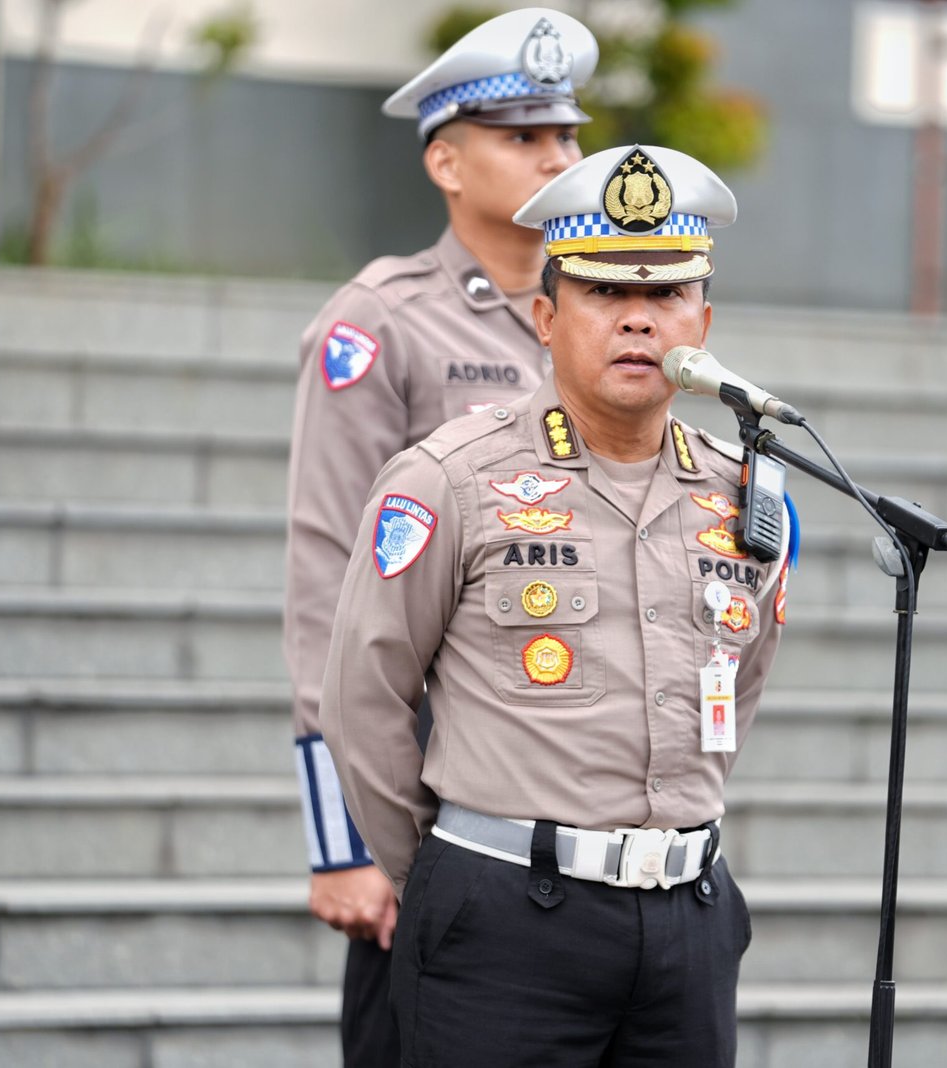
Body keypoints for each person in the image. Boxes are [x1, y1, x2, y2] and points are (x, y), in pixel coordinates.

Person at [322, 143, 788, 1067]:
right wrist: (445, 879)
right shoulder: (450, 479)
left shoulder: (743, 497)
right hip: (504, 927)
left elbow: (740, 684)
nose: (639, 319)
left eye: (666, 294)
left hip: (687, 925)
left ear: (703, 321)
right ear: (545, 316)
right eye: (605, 292)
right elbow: (363, 697)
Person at [283, 10, 597, 1065]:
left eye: (567, 135)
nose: (556, 158)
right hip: (435, 799)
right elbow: (329, 575)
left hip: (573, 788)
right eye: (523, 137)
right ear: (445, 162)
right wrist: (343, 841)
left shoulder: (599, 317)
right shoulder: (382, 323)